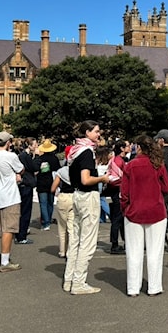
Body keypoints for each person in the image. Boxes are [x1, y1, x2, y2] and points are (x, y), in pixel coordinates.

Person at [121, 134, 168, 297]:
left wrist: (125, 209)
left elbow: (124, 193)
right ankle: (154, 286)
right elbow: (166, 188)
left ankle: (133, 288)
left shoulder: (130, 165)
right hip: (155, 210)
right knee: (155, 251)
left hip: (134, 211)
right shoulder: (158, 165)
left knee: (133, 252)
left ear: (139, 147)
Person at [63, 121, 106, 294]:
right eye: (96, 131)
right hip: (88, 196)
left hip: (77, 195)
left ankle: (69, 279)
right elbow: (86, 179)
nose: (98, 134)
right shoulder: (87, 152)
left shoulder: (75, 150)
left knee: (75, 241)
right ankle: (79, 282)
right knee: (87, 242)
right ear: (87, 132)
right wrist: (103, 178)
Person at [0, 131, 24, 273]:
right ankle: (5, 261)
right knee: (9, 229)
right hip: (9, 196)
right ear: (8, 142)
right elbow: (21, 169)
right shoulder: (10, 156)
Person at [106, 140, 130, 254]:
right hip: (118, 191)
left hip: (115, 191)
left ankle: (121, 242)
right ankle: (115, 244)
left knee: (119, 218)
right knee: (118, 218)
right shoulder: (119, 161)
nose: (129, 147)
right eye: (127, 146)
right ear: (122, 148)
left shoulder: (114, 160)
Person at [15, 138, 38, 244]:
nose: (36, 146)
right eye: (35, 144)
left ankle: (19, 232)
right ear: (29, 145)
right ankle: (21, 236)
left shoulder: (23, 156)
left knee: (21, 210)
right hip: (26, 185)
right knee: (25, 211)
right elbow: (34, 167)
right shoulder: (25, 156)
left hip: (24, 184)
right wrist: (37, 156)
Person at [34, 139, 60, 231]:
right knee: (50, 203)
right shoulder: (55, 159)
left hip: (41, 183)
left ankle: (46, 223)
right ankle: (48, 218)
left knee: (43, 203)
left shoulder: (40, 159)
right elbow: (58, 171)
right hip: (52, 182)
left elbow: (35, 169)